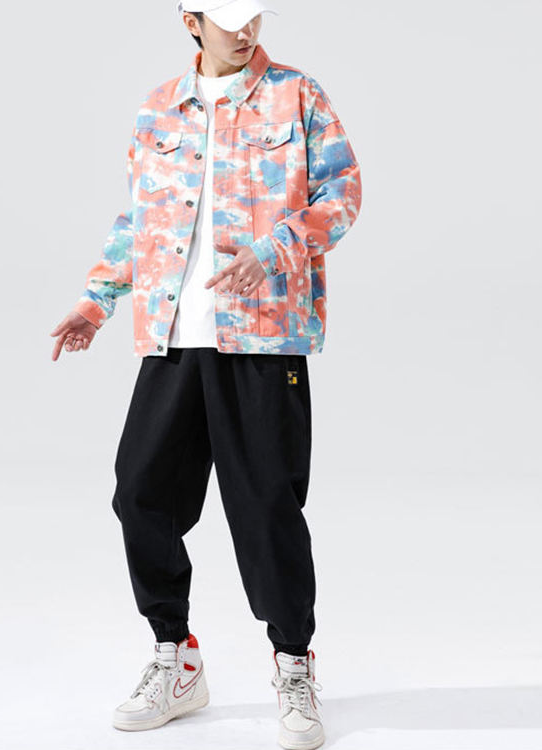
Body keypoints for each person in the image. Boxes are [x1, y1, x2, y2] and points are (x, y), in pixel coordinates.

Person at [50, 1, 362, 747]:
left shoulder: (297, 94)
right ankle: (177, 657)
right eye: (227, 18)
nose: (244, 29)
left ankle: (293, 664)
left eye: (253, 15)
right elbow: (140, 217)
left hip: (263, 337)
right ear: (190, 20)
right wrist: (98, 299)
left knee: (266, 507)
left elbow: (343, 193)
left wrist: (277, 248)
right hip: (172, 334)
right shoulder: (160, 106)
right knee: (141, 494)